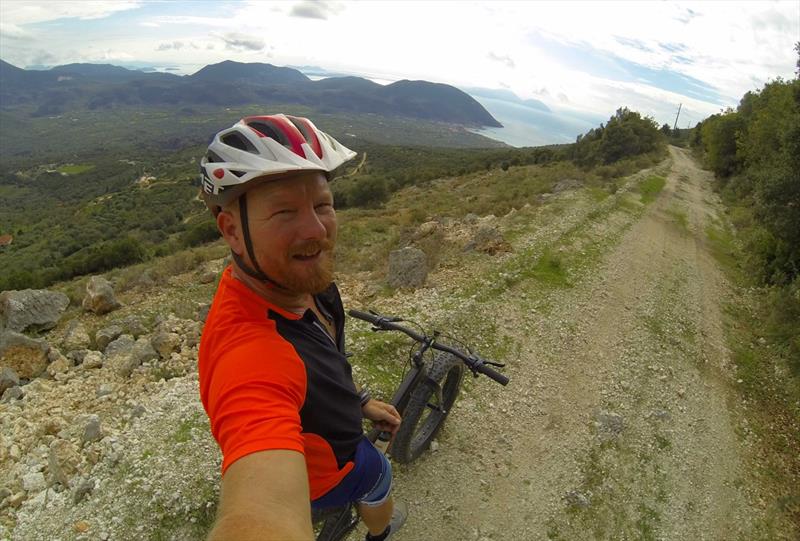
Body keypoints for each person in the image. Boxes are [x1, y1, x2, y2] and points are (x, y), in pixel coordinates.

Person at [197, 114, 408, 541]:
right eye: (284, 211)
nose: (316, 230)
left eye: (323, 205)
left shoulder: (301, 282)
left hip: (331, 431)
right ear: (232, 230)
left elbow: (324, 357)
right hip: (331, 470)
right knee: (380, 473)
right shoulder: (250, 354)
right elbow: (258, 515)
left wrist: (359, 399)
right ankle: (380, 534)